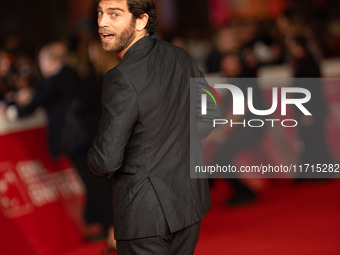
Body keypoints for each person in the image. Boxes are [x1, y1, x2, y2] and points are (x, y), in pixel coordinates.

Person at [87, 0, 213, 254]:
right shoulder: (181, 57)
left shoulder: (120, 77)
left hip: (145, 215)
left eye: (114, 14)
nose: (102, 22)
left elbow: (106, 160)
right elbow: (209, 119)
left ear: (141, 21)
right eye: (100, 13)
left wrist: (90, 157)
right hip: (188, 205)